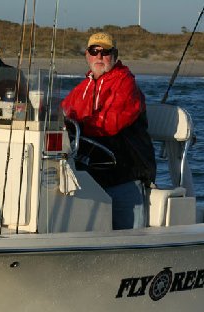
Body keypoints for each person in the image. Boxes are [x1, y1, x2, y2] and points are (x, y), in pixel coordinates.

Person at [61, 32, 156, 230]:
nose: (99, 57)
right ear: (87, 55)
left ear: (115, 55)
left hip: (125, 176)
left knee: (130, 240)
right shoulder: (83, 87)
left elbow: (109, 123)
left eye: (105, 52)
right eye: (94, 51)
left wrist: (76, 126)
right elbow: (63, 112)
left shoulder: (126, 84)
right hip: (91, 176)